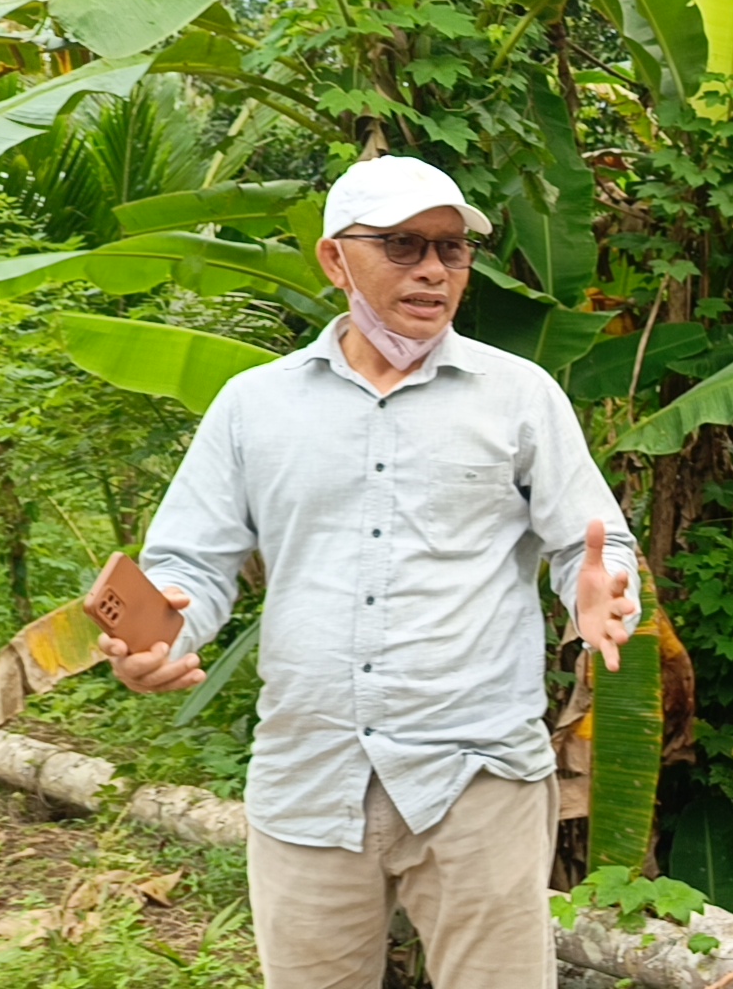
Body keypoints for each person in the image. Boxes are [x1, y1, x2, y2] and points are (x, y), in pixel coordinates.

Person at [99, 155, 643, 989]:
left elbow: (591, 546)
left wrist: (597, 591)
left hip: (478, 779)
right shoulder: (254, 405)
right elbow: (190, 565)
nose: (432, 269)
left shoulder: (520, 396)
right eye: (401, 245)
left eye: (451, 249)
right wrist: (158, 637)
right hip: (310, 777)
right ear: (334, 259)